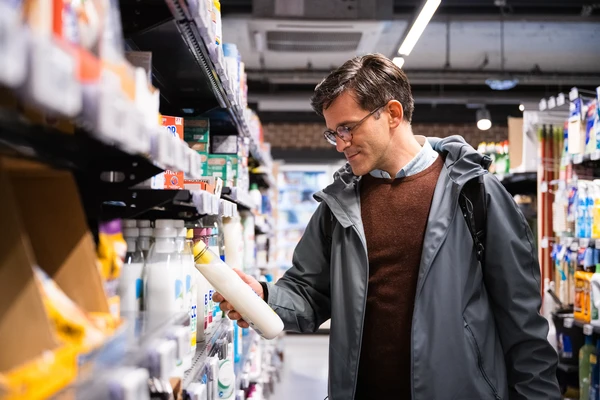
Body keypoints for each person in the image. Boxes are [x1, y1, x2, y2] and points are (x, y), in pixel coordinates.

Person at [213, 53, 560, 400]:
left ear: (392, 114)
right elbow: (308, 292)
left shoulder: (475, 193)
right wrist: (264, 297)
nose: (340, 144)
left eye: (347, 128)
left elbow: (523, 325)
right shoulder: (339, 205)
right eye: (332, 133)